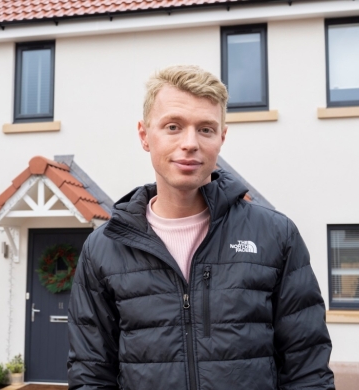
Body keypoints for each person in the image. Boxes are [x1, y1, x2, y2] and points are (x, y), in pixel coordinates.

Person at [67, 65, 334, 390]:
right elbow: (91, 375)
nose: (190, 143)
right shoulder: (103, 249)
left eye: (205, 129)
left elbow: (307, 370)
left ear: (222, 137)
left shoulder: (275, 235)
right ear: (144, 135)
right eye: (173, 126)